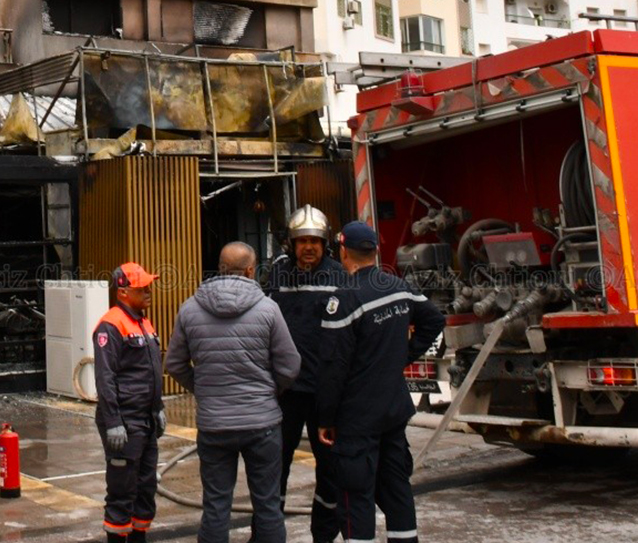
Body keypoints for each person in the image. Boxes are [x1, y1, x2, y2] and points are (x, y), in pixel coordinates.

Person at [316, 221, 445, 543]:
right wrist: (403, 356)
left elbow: (333, 369)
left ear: (343, 252)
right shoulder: (398, 286)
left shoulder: (343, 300)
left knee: (355, 495)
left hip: (357, 417)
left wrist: (325, 419)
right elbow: (434, 319)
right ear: (374, 251)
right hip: (393, 410)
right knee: (397, 488)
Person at [165, 242, 301, 543]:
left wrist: (203, 389)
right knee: (267, 505)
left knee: (215, 506)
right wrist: (268, 391)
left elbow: (173, 364)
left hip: (215, 425)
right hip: (262, 423)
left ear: (221, 267)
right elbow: (290, 365)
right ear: (251, 270)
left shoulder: (190, 308)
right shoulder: (268, 308)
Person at [262, 205, 348, 543]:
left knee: (330, 470)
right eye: (302, 241)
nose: (309, 247)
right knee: (274, 468)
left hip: (326, 396)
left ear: (325, 243)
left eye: (315, 240)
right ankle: (268, 534)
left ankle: (324, 536)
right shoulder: (278, 276)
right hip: (285, 395)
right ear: (291, 244)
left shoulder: (339, 277)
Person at [93, 262, 166, 543]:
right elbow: (105, 377)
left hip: (145, 420)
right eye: (142, 287)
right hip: (125, 421)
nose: (148, 291)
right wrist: (113, 423)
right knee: (122, 491)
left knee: (146, 487)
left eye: (148, 285)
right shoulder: (110, 325)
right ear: (123, 292)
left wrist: (158, 408)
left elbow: (151, 371)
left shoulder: (143, 321)